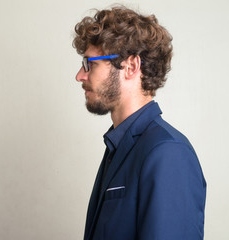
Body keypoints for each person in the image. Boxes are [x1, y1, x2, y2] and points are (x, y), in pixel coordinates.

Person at [73, 6, 206, 240]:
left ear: (131, 66)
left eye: (90, 63)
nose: (80, 75)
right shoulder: (119, 146)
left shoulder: (167, 152)